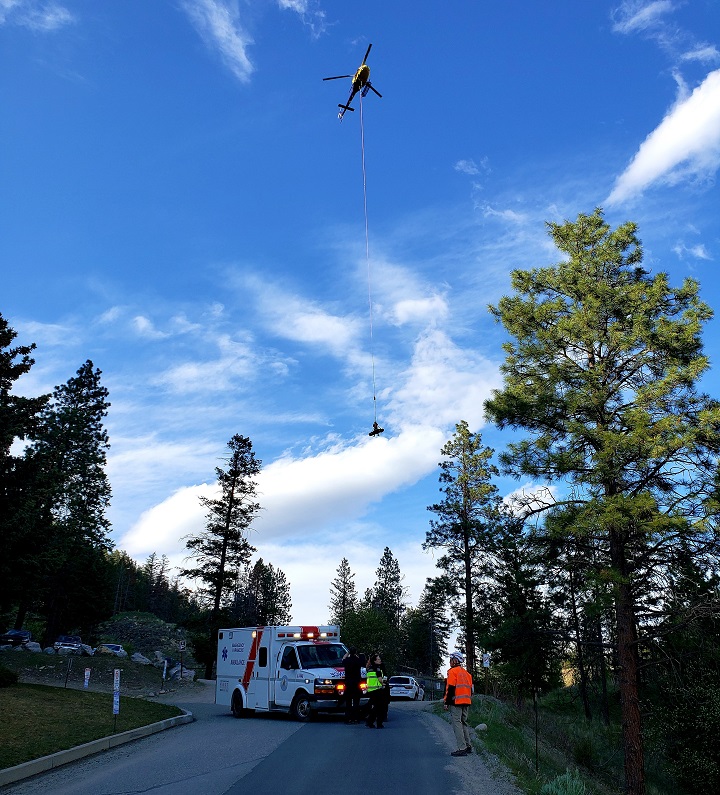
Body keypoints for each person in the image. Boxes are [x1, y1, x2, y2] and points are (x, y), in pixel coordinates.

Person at [444, 650, 473, 756]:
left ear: (455, 660)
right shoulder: (467, 674)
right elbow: (471, 690)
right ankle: (468, 746)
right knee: (464, 723)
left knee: (457, 724)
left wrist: (447, 702)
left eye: (451, 660)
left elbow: (451, 688)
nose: (450, 662)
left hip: (456, 702)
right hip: (467, 701)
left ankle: (462, 748)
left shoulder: (452, 672)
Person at [365, 652, 387, 728]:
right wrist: (384, 683)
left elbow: (366, 667)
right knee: (380, 708)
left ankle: (370, 721)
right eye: (378, 659)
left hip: (371, 690)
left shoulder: (369, 668)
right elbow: (380, 679)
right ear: (375, 661)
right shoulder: (377, 668)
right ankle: (378, 723)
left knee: (376, 707)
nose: (380, 660)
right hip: (378, 690)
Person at [343, 647, 362, 724]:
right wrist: (355, 654)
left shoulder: (347, 661)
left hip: (348, 683)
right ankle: (356, 718)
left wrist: (348, 653)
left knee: (348, 702)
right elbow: (360, 661)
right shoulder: (358, 661)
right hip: (357, 683)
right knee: (356, 702)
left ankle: (348, 719)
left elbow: (343, 658)